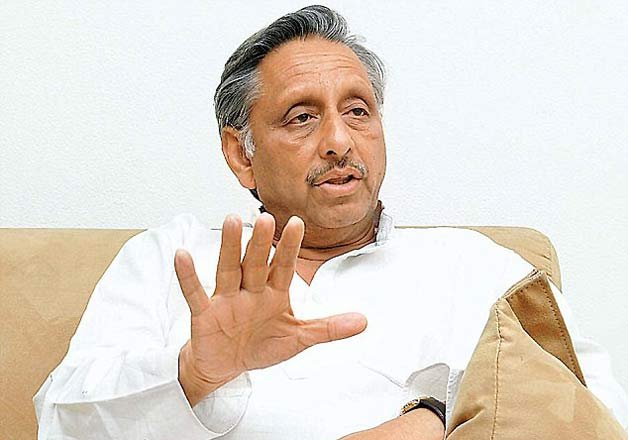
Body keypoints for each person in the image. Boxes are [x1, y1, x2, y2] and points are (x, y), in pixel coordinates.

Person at [34, 5, 628, 439]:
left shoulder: (480, 268)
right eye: (301, 117)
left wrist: (437, 412)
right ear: (241, 155)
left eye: (358, 111)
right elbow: (58, 423)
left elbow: (591, 413)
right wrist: (194, 373)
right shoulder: (172, 258)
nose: (340, 141)